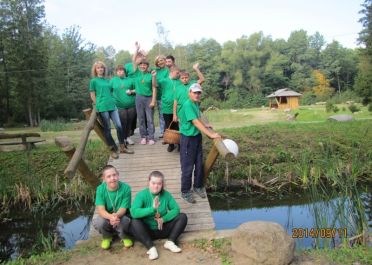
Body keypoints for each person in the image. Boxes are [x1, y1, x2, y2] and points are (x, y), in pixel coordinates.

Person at [130, 171, 187, 260]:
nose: (156, 186)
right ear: (148, 182)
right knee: (134, 221)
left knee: (182, 217)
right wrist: (152, 209)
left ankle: (170, 242)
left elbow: (176, 209)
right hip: (147, 232)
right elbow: (134, 212)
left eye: (159, 184)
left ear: (162, 184)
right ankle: (151, 248)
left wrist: (163, 219)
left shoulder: (166, 194)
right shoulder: (141, 195)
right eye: (153, 183)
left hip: (162, 228)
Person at [178, 83, 221, 203]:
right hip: (188, 139)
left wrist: (205, 125)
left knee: (198, 163)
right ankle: (185, 191)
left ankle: (197, 187)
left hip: (196, 137)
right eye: (195, 92)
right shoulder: (187, 104)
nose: (197, 95)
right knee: (187, 166)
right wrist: (210, 134)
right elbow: (195, 122)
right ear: (189, 93)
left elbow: (198, 117)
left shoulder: (195, 103)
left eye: (198, 92)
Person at [89, 61, 129, 159]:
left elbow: (111, 91)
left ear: (104, 69)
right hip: (102, 107)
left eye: (102, 67)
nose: (100, 69)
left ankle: (122, 147)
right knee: (107, 129)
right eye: (98, 68)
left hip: (112, 106)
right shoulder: (93, 81)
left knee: (119, 126)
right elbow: (92, 94)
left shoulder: (107, 81)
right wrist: (97, 105)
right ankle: (113, 150)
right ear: (95, 70)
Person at [92, 165, 133, 249]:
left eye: (114, 175)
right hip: (107, 215)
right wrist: (111, 217)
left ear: (118, 175)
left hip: (121, 215)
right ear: (104, 178)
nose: (112, 178)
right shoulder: (100, 189)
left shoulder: (126, 188)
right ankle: (107, 237)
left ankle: (124, 236)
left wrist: (116, 216)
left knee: (125, 221)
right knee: (99, 222)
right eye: (109, 176)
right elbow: (101, 210)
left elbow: (123, 208)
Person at [132, 42, 157, 145]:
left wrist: (153, 101)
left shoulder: (151, 74)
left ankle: (151, 137)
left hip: (149, 98)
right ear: (139, 66)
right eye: (141, 64)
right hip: (138, 97)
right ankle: (143, 136)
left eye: (144, 64)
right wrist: (137, 49)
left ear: (147, 66)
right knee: (141, 118)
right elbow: (134, 60)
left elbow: (154, 87)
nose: (142, 66)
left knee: (150, 119)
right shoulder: (137, 73)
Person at [110, 65, 137, 146]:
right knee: (122, 122)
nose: (120, 72)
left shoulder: (131, 80)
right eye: (118, 71)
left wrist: (132, 91)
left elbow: (138, 89)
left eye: (122, 71)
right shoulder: (113, 80)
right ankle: (122, 139)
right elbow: (109, 91)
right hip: (119, 106)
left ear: (124, 72)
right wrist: (112, 100)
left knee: (129, 121)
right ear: (116, 72)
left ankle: (127, 137)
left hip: (131, 105)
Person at [158, 66, 181, 152]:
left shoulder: (179, 81)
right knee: (168, 126)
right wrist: (153, 76)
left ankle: (179, 143)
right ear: (171, 72)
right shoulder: (164, 80)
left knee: (178, 126)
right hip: (167, 108)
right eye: (177, 73)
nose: (179, 74)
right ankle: (170, 144)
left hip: (178, 108)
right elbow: (154, 84)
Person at [154, 55, 168, 138]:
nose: (160, 62)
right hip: (159, 96)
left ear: (165, 61)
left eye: (162, 60)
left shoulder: (168, 70)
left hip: (168, 95)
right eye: (158, 61)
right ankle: (162, 132)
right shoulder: (155, 71)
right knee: (161, 114)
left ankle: (170, 130)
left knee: (168, 114)